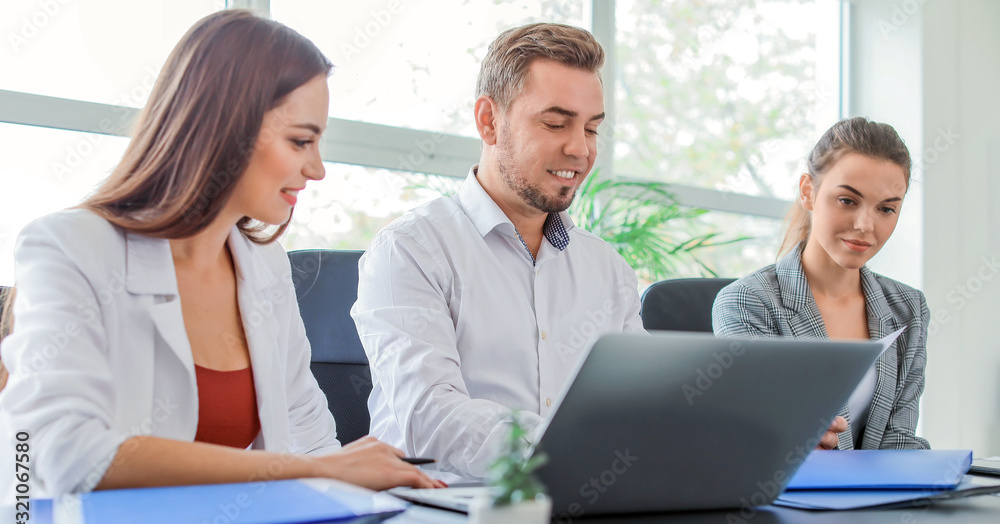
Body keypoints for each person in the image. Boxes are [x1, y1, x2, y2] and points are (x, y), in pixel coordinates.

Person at [0, 10, 442, 497]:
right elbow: (62, 451)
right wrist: (314, 471)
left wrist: (368, 501)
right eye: (301, 141)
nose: (317, 169)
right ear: (225, 129)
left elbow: (311, 438)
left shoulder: (264, 265)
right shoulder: (68, 246)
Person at [351, 23, 645, 481]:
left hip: (584, 504)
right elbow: (431, 417)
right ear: (489, 121)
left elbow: (637, 408)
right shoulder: (411, 250)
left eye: (591, 129)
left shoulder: (608, 270)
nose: (580, 148)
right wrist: (570, 454)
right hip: (445, 507)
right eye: (556, 124)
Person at [712, 117, 930, 450]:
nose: (865, 225)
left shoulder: (907, 307)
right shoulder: (746, 303)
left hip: (880, 484)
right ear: (808, 191)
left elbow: (899, 439)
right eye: (847, 201)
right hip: (790, 482)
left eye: (886, 209)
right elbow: (757, 434)